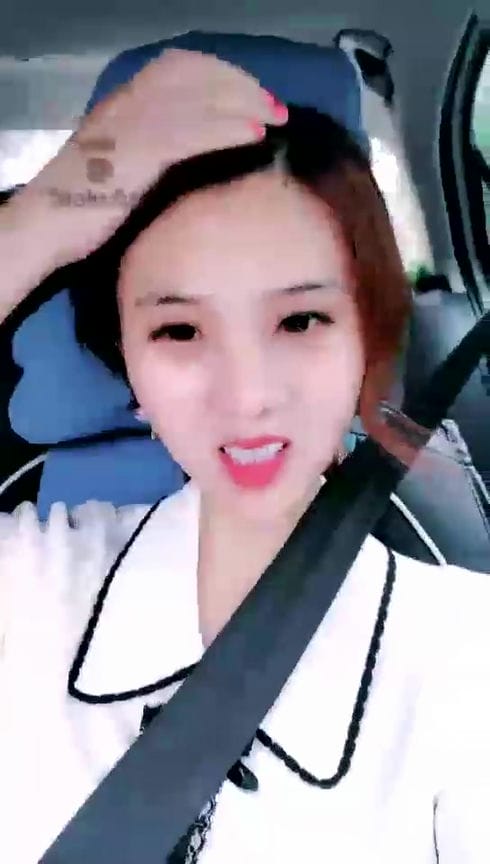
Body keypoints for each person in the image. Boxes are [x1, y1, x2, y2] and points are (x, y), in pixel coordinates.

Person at [0, 48, 489, 864]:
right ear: (125, 361)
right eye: (179, 330)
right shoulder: (28, 587)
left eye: (300, 321)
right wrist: (46, 213)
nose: (248, 396)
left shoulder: (465, 655)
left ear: (367, 338)